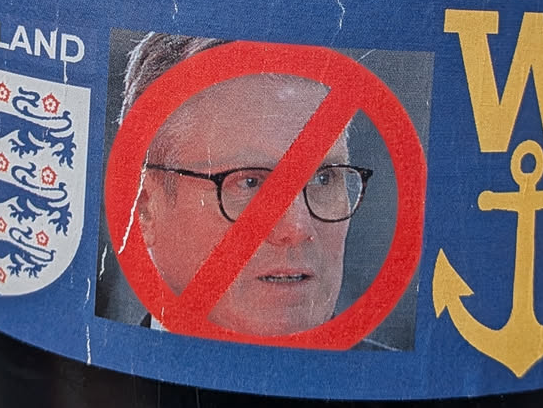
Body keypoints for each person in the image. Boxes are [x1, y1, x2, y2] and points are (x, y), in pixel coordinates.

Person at [117, 32, 372, 340]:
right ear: (145, 207)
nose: (297, 228)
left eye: (323, 178)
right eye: (249, 182)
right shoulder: (99, 374)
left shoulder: (400, 386)